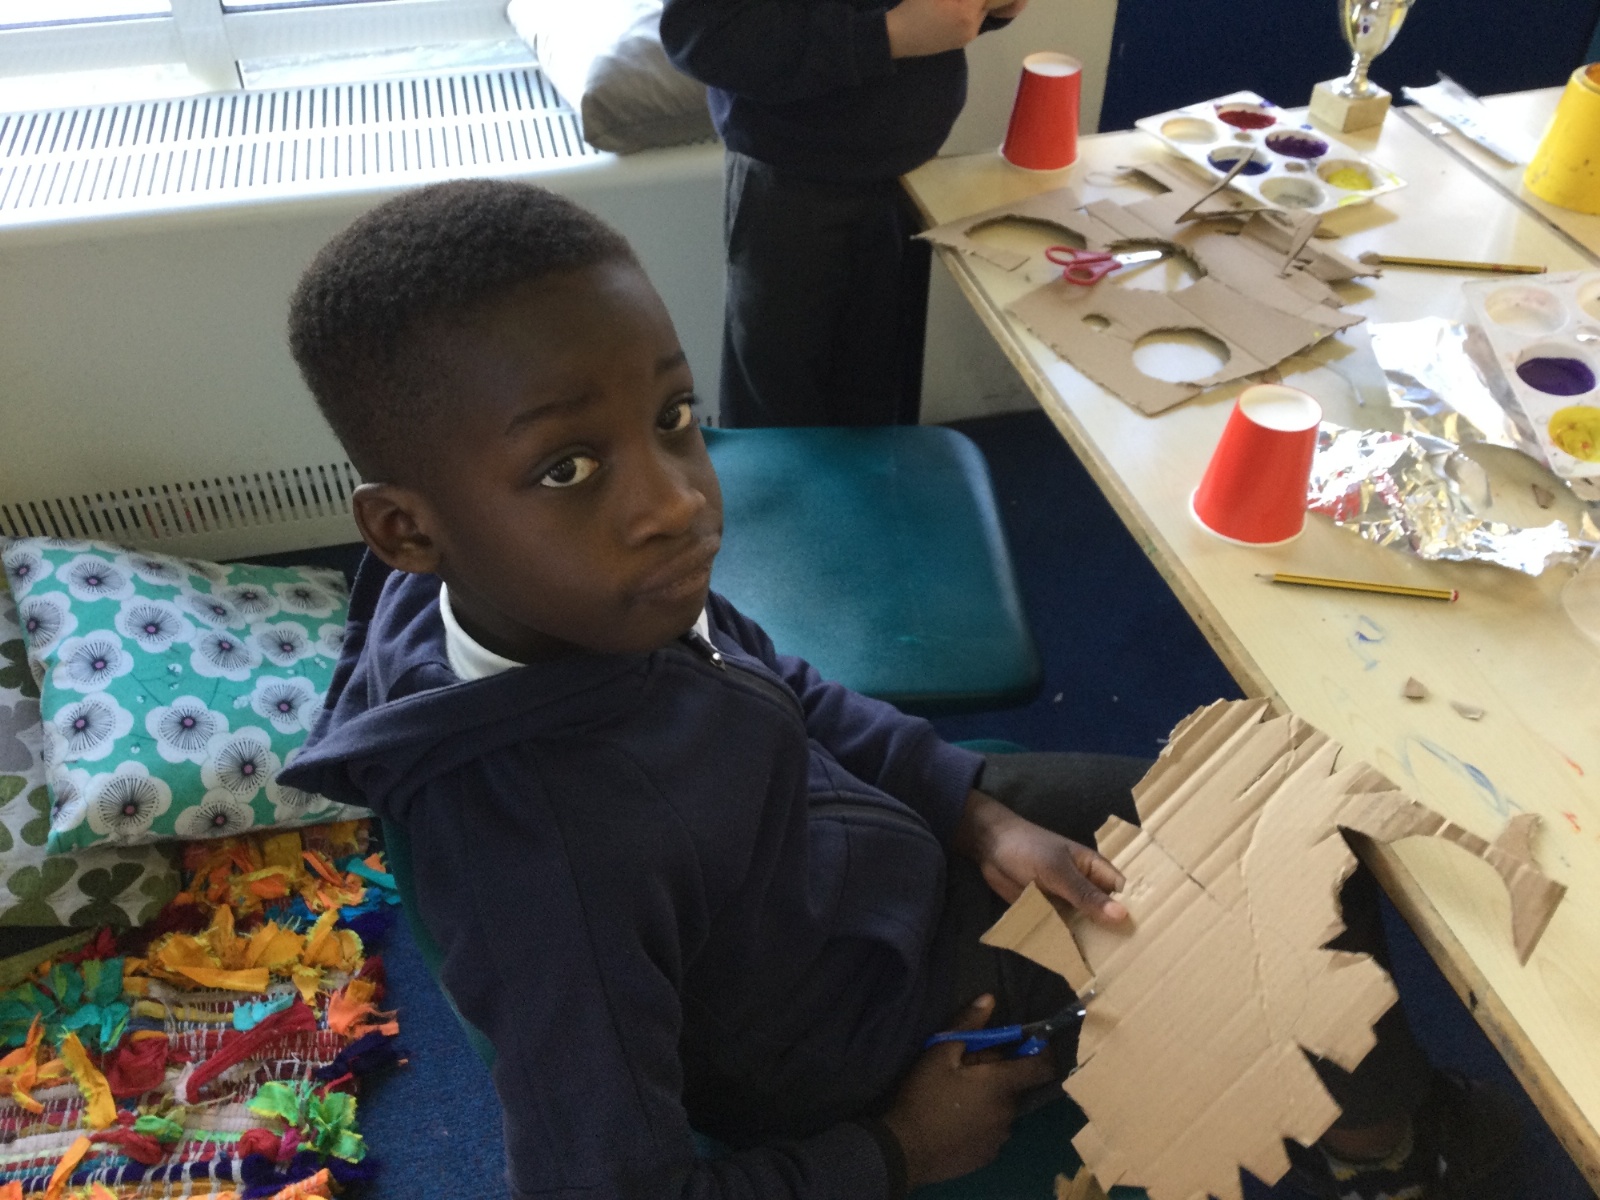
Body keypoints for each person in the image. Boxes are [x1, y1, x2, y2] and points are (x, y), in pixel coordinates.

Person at [281, 179, 1516, 1200]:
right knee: (1302, 879)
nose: (675, 499)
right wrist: (896, 1150)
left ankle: (1335, 1093)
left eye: (672, 415)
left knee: (1263, 813)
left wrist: (972, 810)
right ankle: (1385, 1154)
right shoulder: (551, 868)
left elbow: (779, 684)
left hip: (865, 861)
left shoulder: (572, 597)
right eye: (565, 468)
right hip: (860, 1034)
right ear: (407, 530)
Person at [659, 0, 1025, 427]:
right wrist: (887, 34)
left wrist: (985, 12)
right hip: (792, 184)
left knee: (877, 402)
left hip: (908, 176)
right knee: (779, 414)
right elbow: (703, 38)